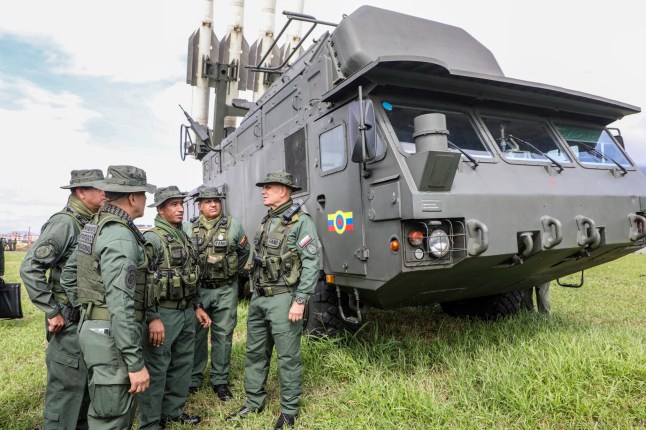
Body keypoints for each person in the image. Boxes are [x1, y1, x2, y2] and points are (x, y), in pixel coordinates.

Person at [227, 171, 321, 429]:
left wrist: (300, 300)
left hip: (283, 298)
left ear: (284, 190)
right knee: (255, 352)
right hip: (259, 298)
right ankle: (253, 402)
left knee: (288, 356)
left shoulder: (301, 222)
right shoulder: (268, 219)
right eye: (264, 187)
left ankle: (289, 411)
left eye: (268, 187)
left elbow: (312, 263)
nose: (263, 191)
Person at [70, 165, 156, 429]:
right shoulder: (120, 235)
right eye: (143, 194)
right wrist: (135, 363)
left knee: (104, 410)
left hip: (95, 330)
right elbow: (121, 304)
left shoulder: (95, 226)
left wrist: (91, 310)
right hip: (112, 339)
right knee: (113, 418)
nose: (145, 199)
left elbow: (69, 276)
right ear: (132, 197)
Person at [19, 169, 106, 430]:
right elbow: (30, 267)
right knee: (66, 392)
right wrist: (52, 310)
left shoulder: (90, 221)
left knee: (84, 389)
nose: (105, 193)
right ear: (81, 192)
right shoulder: (65, 223)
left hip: (84, 320)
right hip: (68, 323)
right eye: (98, 188)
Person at [138, 186, 211, 429]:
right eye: (173, 204)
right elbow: (143, 282)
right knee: (158, 366)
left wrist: (197, 306)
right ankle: (150, 421)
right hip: (164, 313)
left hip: (186, 311)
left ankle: (172, 411)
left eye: (181, 203)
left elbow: (191, 276)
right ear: (160, 209)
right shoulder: (153, 239)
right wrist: (152, 317)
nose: (180, 209)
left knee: (182, 364)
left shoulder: (183, 236)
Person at [189, 187, 250, 400]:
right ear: (200, 205)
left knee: (223, 336)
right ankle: (194, 379)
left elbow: (244, 251)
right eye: (207, 201)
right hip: (199, 290)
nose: (213, 204)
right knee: (196, 336)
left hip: (225, 289)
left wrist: (230, 272)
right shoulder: (189, 228)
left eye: (216, 200)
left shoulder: (234, 225)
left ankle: (219, 381)